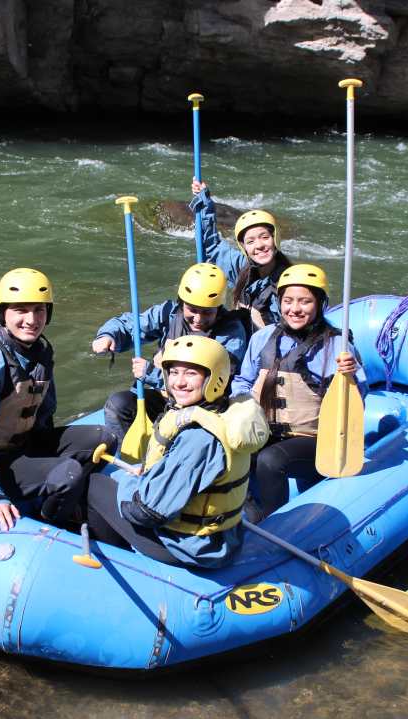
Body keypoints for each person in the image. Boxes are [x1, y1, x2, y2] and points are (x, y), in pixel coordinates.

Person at [0, 268, 112, 532]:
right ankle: (51, 524)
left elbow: (43, 416)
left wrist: (46, 462)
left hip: (21, 447)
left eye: (39, 310)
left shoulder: (39, 350)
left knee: (103, 438)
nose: (31, 320)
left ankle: (57, 500)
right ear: (3, 313)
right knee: (69, 474)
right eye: (20, 310)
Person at [85, 336, 268, 568]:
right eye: (173, 373)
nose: (178, 382)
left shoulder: (198, 438)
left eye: (191, 374)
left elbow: (146, 512)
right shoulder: (226, 413)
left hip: (192, 547)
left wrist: (131, 484)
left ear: (215, 378)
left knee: (94, 485)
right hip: (223, 537)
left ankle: (122, 563)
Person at [231, 264, 365, 521]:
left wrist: (350, 376)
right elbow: (242, 381)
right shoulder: (264, 337)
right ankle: (244, 515)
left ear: (320, 304)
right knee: (232, 446)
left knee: (270, 460)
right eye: (288, 301)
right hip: (266, 431)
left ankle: (279, 526)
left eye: (305, 302)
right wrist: (243, 409)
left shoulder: (338, 345)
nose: (295, 309)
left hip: (314, 439)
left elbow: (358, 400)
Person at [91, 263, 247, 448]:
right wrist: (109, 335)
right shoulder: (169, 313)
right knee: (118, 405)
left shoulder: (231, 333)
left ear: (218, 309)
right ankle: (132, 461)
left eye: (207, 312)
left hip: (202, 407)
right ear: (182, 303)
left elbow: (214, 386)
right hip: (167, 398)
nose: (198, 319)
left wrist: (151, 374)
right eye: (192, 310)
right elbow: (130, 324)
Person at [189, 179, 292, 330]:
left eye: (264, 237)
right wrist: (205, 203)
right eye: (250, 242)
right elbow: (211, 246)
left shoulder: (290, 281)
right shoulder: (241, 266)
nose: (259, 245)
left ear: (275, 238)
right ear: (243, 247)